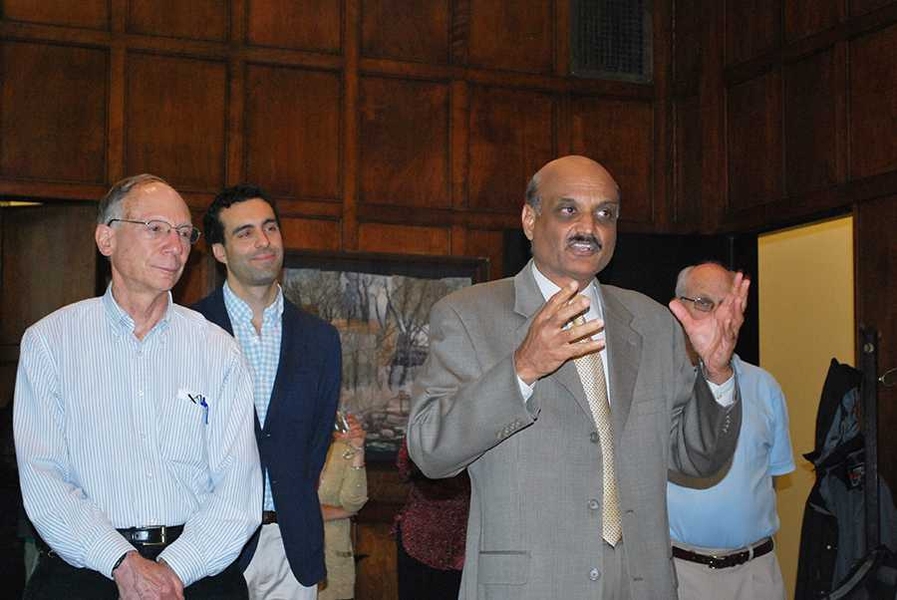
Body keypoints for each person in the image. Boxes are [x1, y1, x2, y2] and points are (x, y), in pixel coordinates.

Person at [406, 155, 750, 599]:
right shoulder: (468, 316)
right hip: (531, 587)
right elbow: (430, 451)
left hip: (641, 583)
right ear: (530, 220)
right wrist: (522, 368)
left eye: (605, 214)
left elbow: (698, 458)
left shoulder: (653, 323)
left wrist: (716, 372)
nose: (589, 227)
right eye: (568, 210)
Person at [13, 173, 262, 599]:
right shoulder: (50, 343)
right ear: (106, 239)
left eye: (184, 233)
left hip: (196, 574)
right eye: (156, 228)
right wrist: (122, 562)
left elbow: (239, 490)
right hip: (85, 571)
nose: (175, 246)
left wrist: (173, 569)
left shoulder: (218, 349)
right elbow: (44, 479)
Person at [194, 184, 341, 599]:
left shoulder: (320, 339)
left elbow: (316, 444)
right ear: (219, 251)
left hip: (292, 546)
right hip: (209, 546)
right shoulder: (189, 330)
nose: (264, 241)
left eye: (270, 228)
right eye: (245, 233)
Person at [667, 262, 795, 600]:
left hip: (756, 574)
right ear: (678, 308)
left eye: (727, 305)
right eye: (703, 303)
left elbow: (769, 480)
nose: (718, 316)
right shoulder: (655, 385)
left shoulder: (765, 386)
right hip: (680, 575)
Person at [394, 438, 469, 600]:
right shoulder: (470, 435)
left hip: (417, 533)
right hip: (458, 536)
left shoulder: (422, 432)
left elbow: (403, 468)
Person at [318, 412, 368, 600]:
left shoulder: (342, 449)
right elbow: (291, 509)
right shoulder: (287, 451)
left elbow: (354, 502)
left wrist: (358, 451)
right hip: (289, 558)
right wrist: (341, 512)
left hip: (333, 560)